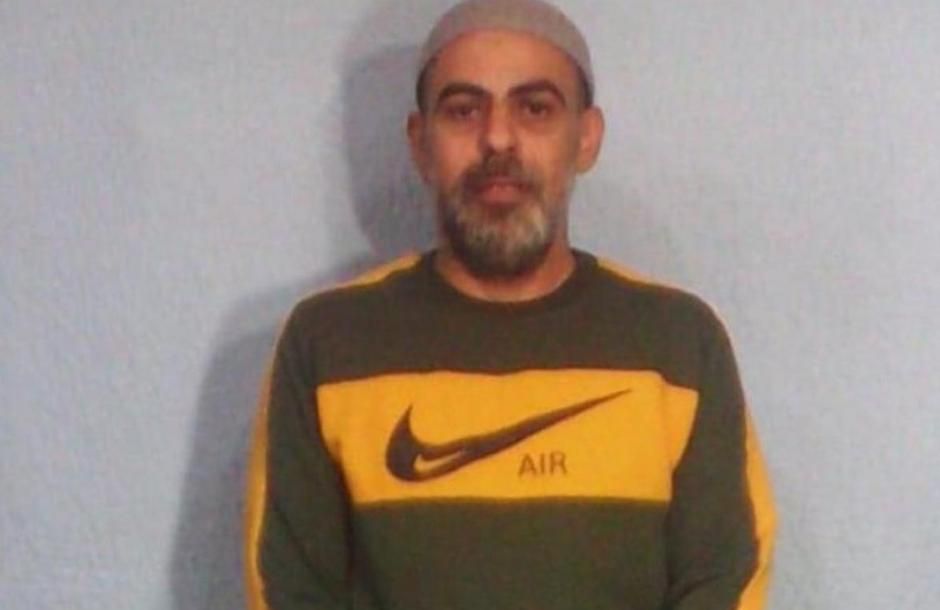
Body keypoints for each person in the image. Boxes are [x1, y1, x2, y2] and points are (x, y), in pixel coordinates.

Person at [244, 0, 776, 609]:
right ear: (421, 143)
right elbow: (288, 589)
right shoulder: (328, 345)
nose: (497, 137)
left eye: (535, 107)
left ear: (586, 137)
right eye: (463, 110)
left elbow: (724, 578)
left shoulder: (678, 345)